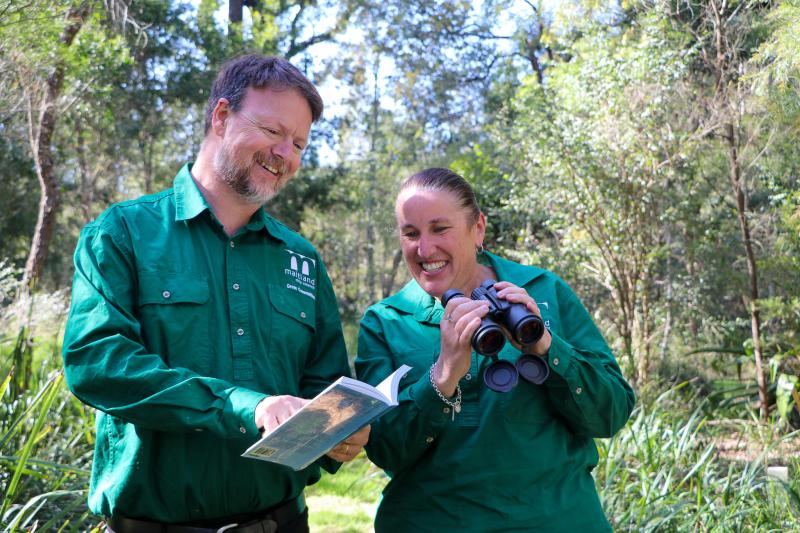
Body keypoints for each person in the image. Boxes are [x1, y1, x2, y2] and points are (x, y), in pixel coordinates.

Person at [62, 54, 369, 533]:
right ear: (221, 117)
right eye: (273, 132)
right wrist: (247, 406)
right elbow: (98, 364)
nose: (285, 154)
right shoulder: (123, 233)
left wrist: (339, 431)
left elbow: (324, 382)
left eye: (299, 144)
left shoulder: (302, 259)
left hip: (283, 523)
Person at [355, 168, 636, 532]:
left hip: (559, 520)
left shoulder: (543, 290)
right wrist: (443, 376)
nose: (424, 249)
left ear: (478, 229)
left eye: (440, 229)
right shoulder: (386, 322)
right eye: (411, 233)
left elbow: (610, 414)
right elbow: (384, 449)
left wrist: (546, 347)